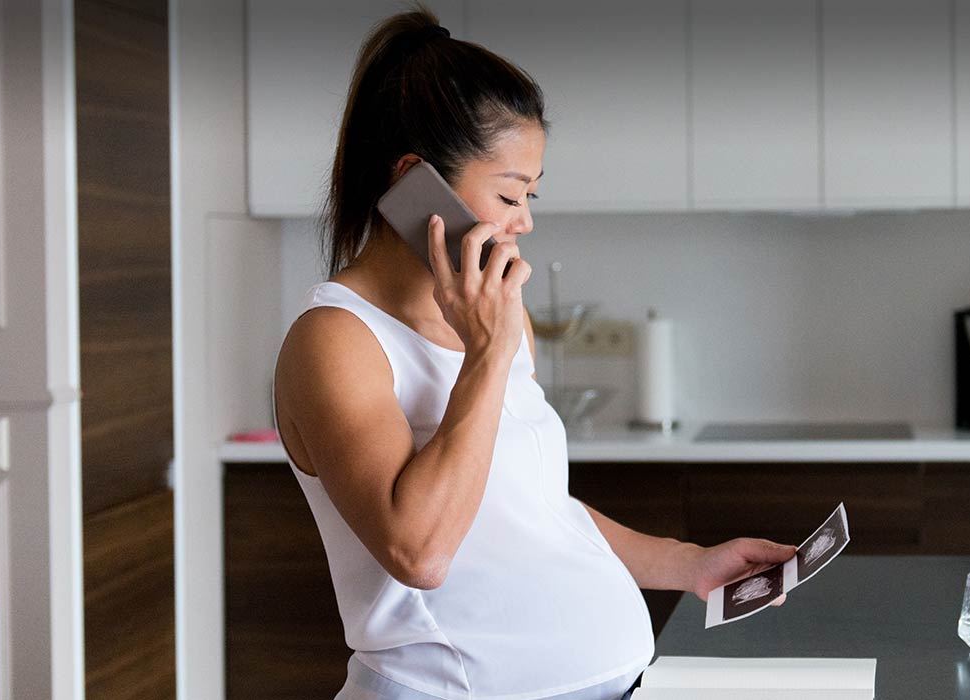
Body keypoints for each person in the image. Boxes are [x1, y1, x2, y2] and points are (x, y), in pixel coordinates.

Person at [271, 9, 796, 700]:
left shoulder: (498, 315)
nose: (525, 221)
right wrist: (486, 354)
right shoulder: (336, 339)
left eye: (532, 194)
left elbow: (534, 510)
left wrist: (690, 564)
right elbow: (420, 551)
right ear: (412, 181)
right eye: (509, 194)